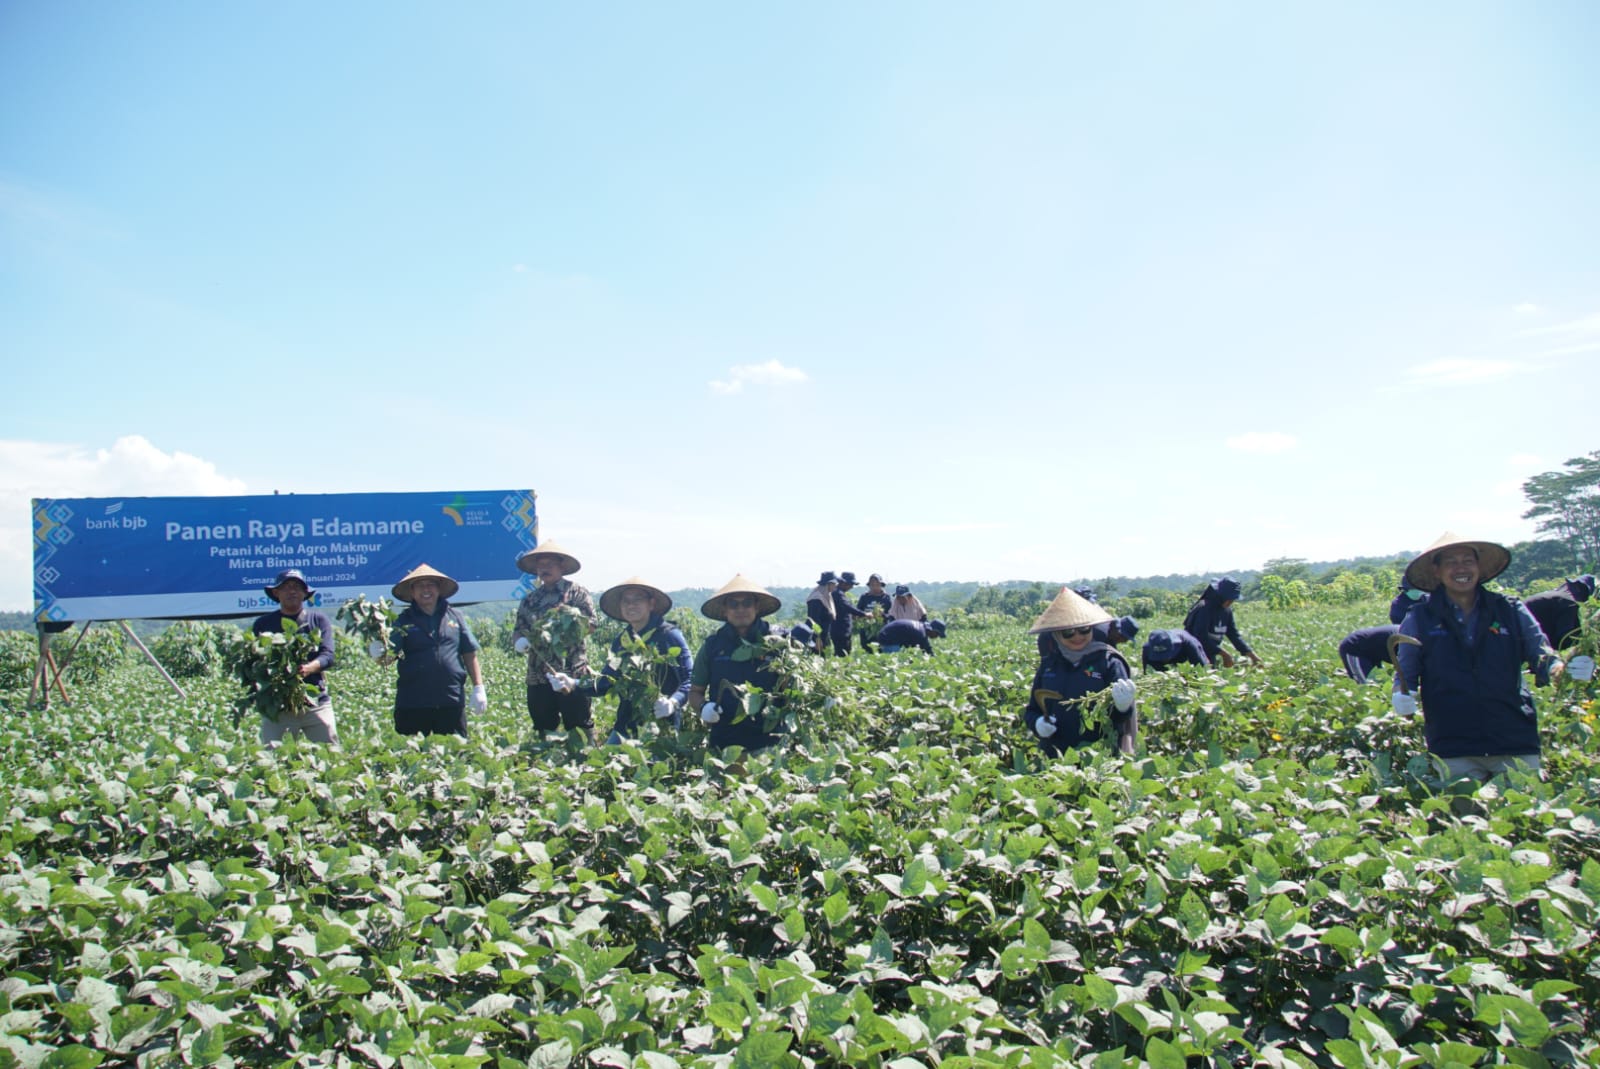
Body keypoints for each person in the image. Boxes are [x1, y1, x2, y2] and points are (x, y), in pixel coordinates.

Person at [1390, 532, 1589, 784]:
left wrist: (1564, 670)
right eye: (1451, 562)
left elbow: (1542, 654)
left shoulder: (1509, 608)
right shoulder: (1420, 617)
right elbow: (1406, 670)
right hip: (1453, 740)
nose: (1461, 568)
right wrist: (1401, 694)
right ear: (1437, 570)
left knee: (1523, 816)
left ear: (1479, 567)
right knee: (1464, 815)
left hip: (1513, 736)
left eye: (1467, 561)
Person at [575, 578, 692, 744]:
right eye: (626, 601)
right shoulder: (622, 641)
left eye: (637, 600)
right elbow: (607, 681)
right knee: (604, 764)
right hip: (626, 724)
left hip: (662, 724)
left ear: (651, 604)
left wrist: (674, 702)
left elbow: (690, 679)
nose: (631, 605)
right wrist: (573, 684)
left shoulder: (669, 636)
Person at [1023, 587, 1137, 756]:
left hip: (1099, 759)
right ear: (1056, 633)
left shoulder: (1109, 662)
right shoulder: (1049, 665)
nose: (1078, 636)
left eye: (1084, 629)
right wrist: (1037, 723)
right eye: (1068, 632)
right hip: (1056, 759)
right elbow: (1032, 710)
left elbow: (1120, 721)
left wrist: (1122, 707)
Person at [689, 575, 793, 753]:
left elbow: (792, 691)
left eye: (746, 603)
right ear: (724, 610)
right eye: (733, 604)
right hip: (725, 743)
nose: (740, 609)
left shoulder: (778, 642)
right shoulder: (712, 646)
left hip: (770, 742)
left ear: (757, 606)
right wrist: (702, 707)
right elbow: (695, 691)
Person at [511, 540, 598, 743]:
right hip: (538, 673)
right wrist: (520, 642)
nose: (544, 569)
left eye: (550, 564)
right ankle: (546, 767)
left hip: (571, 671)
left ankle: (586, 765)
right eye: (541, 565)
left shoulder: (576, 593)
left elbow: (592, 624)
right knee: (543, 726)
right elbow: (518, 629)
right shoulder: (530, 600)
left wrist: (563, 625)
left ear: (562, 567)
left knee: (579, 726)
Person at [384, 563, 485, 737]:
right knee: (412, 757)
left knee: (455, 755)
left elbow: (469, 653)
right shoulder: (402, 621)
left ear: (439, 589)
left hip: (451, 700)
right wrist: (379, 650)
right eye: (420, 585)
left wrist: (478, 687)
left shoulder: (455, 617)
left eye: (430, 584)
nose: (426, 589)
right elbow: (388, 658)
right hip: (413, 702)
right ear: (412, 592)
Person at [251, 568, 337, 745]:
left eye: (297, 587)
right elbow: (256, 663)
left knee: (331, 753)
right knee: (271, 759)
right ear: (276, 592)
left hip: (315, 702)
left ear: (305, 593)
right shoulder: (263, 624)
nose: (292, 591)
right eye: (286, 587)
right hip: (279, 706)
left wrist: (309, 668)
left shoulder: (317, 620)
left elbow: (328, 655)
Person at [1183, 577, 1264, 668]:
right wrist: (1224, 654)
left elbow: (1233, 635)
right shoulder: (1204, 608)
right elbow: (1200, 637)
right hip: (1192, 654)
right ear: (1220, 595)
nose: (1231, 602)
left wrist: (1252, 656)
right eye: (1229, 599)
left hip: (1210, 653)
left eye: (1232, 599)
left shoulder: (1226, 611)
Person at [1522, 574, 1595, 650]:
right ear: (1579, 589)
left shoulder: (1554, 596)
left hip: (1515, 631)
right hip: (1523, 636)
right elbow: (1565, 636)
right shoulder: (1567, 602)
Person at [830, 572, 872, 656]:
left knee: (844, 653)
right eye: (851, 584)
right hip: (840, 631)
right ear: (844, 583)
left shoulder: (840, 593)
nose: (852, 587)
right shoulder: (837, 594)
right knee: (842, 654)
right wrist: (864, 614)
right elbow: (847, 607)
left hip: (843, 630)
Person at [865, 617, 946, 655]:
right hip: (888, 639)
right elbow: (922, 649)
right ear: (933, 630)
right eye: (937, 634)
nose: (937, 637)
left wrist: (932, 655)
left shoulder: (922, 627)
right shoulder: (920, 633)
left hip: (888, 635)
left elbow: (926, 646)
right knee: (893, 663)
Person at [1141, 628, 1210, 671]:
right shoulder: (1147, 649)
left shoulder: (1188, 644)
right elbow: (1148, 673)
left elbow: (1202, 669)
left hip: (1183, 656)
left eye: (1165, 656)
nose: (1164, 659)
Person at [804, 571, 838, 655]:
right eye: (834, 584)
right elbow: (814, 621)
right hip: (815, 638)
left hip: (824, 635)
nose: (835, 586)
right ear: (829, 584)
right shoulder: (816, 599)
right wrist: (817, 639)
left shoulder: (826, 596)